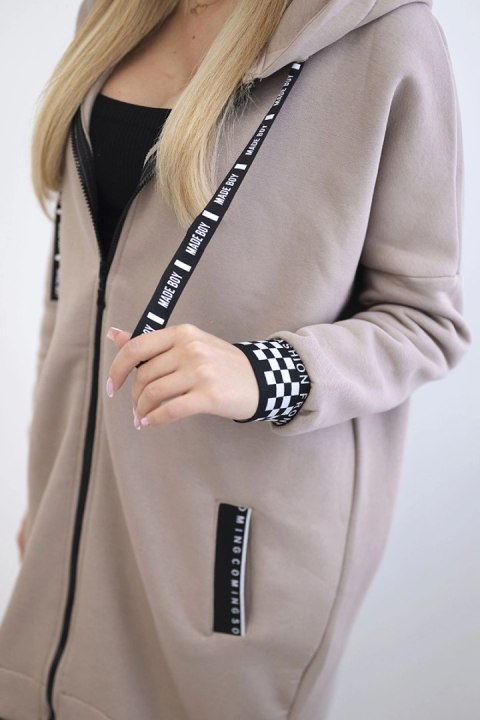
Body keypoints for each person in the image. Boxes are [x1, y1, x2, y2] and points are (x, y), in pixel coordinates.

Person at [0, 0, 472, 718]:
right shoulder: (111, 11)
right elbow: (69, 291)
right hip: (73, 519)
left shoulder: (386, 40)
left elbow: (427, 321)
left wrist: (263, 372)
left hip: (230, 552)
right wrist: (47, 486)